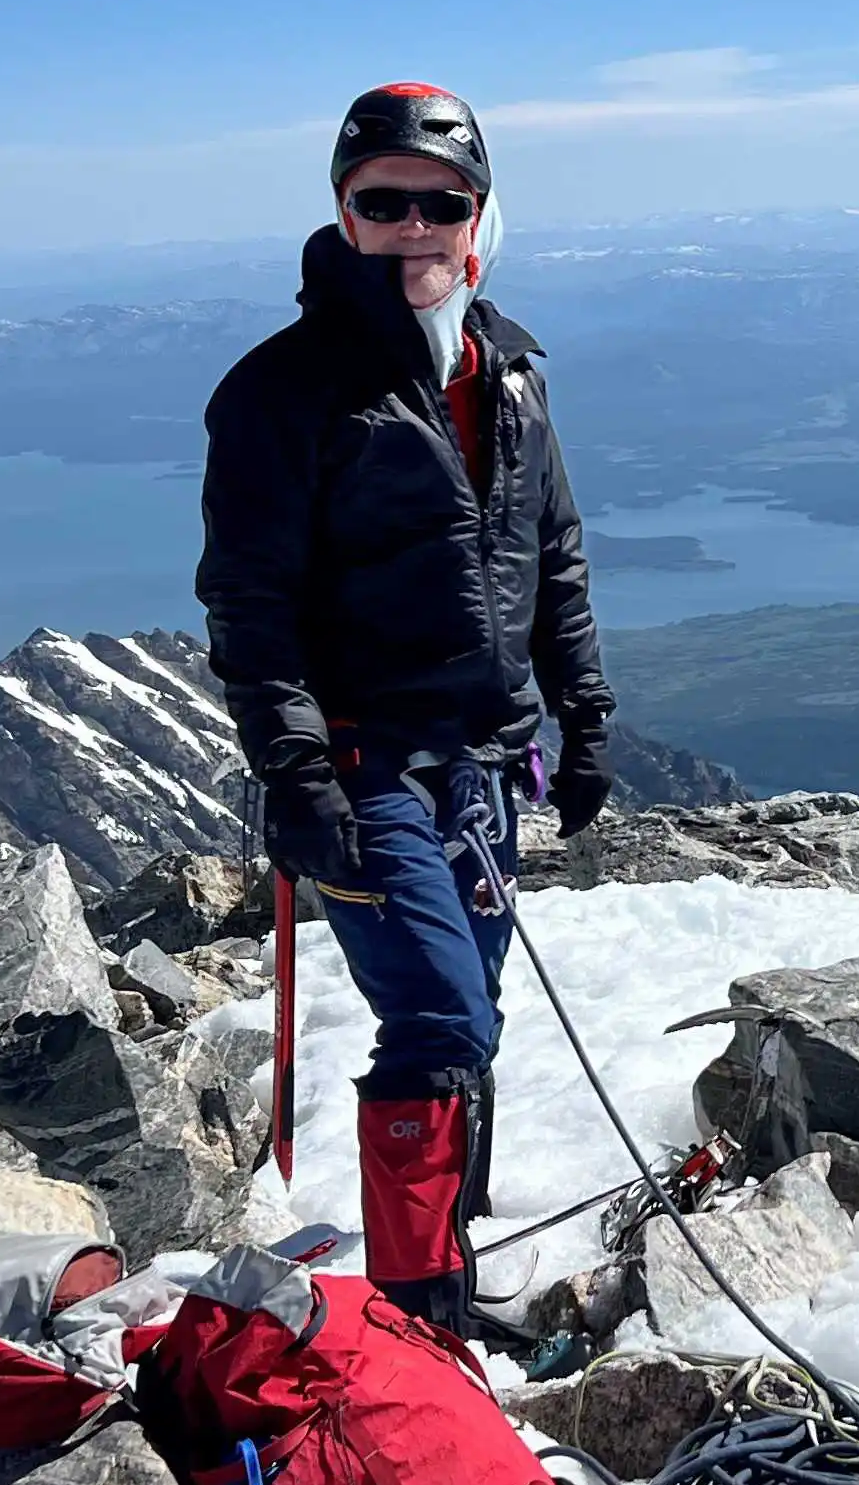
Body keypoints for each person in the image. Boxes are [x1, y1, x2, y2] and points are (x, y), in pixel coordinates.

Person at [195, 82, 615, 1332]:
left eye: (444, 203)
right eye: (386, 203)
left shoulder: (512, 376)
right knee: (438, 1017)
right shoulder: (284, 392)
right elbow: (248, 603)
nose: (416, 227)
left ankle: (443, 1278)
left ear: (481, 217)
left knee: (465, 1028)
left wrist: (581, 714)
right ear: (344, 212)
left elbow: (555, 552)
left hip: (481, 766)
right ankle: (419, 1309)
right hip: (368, 764)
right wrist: (297, 774)